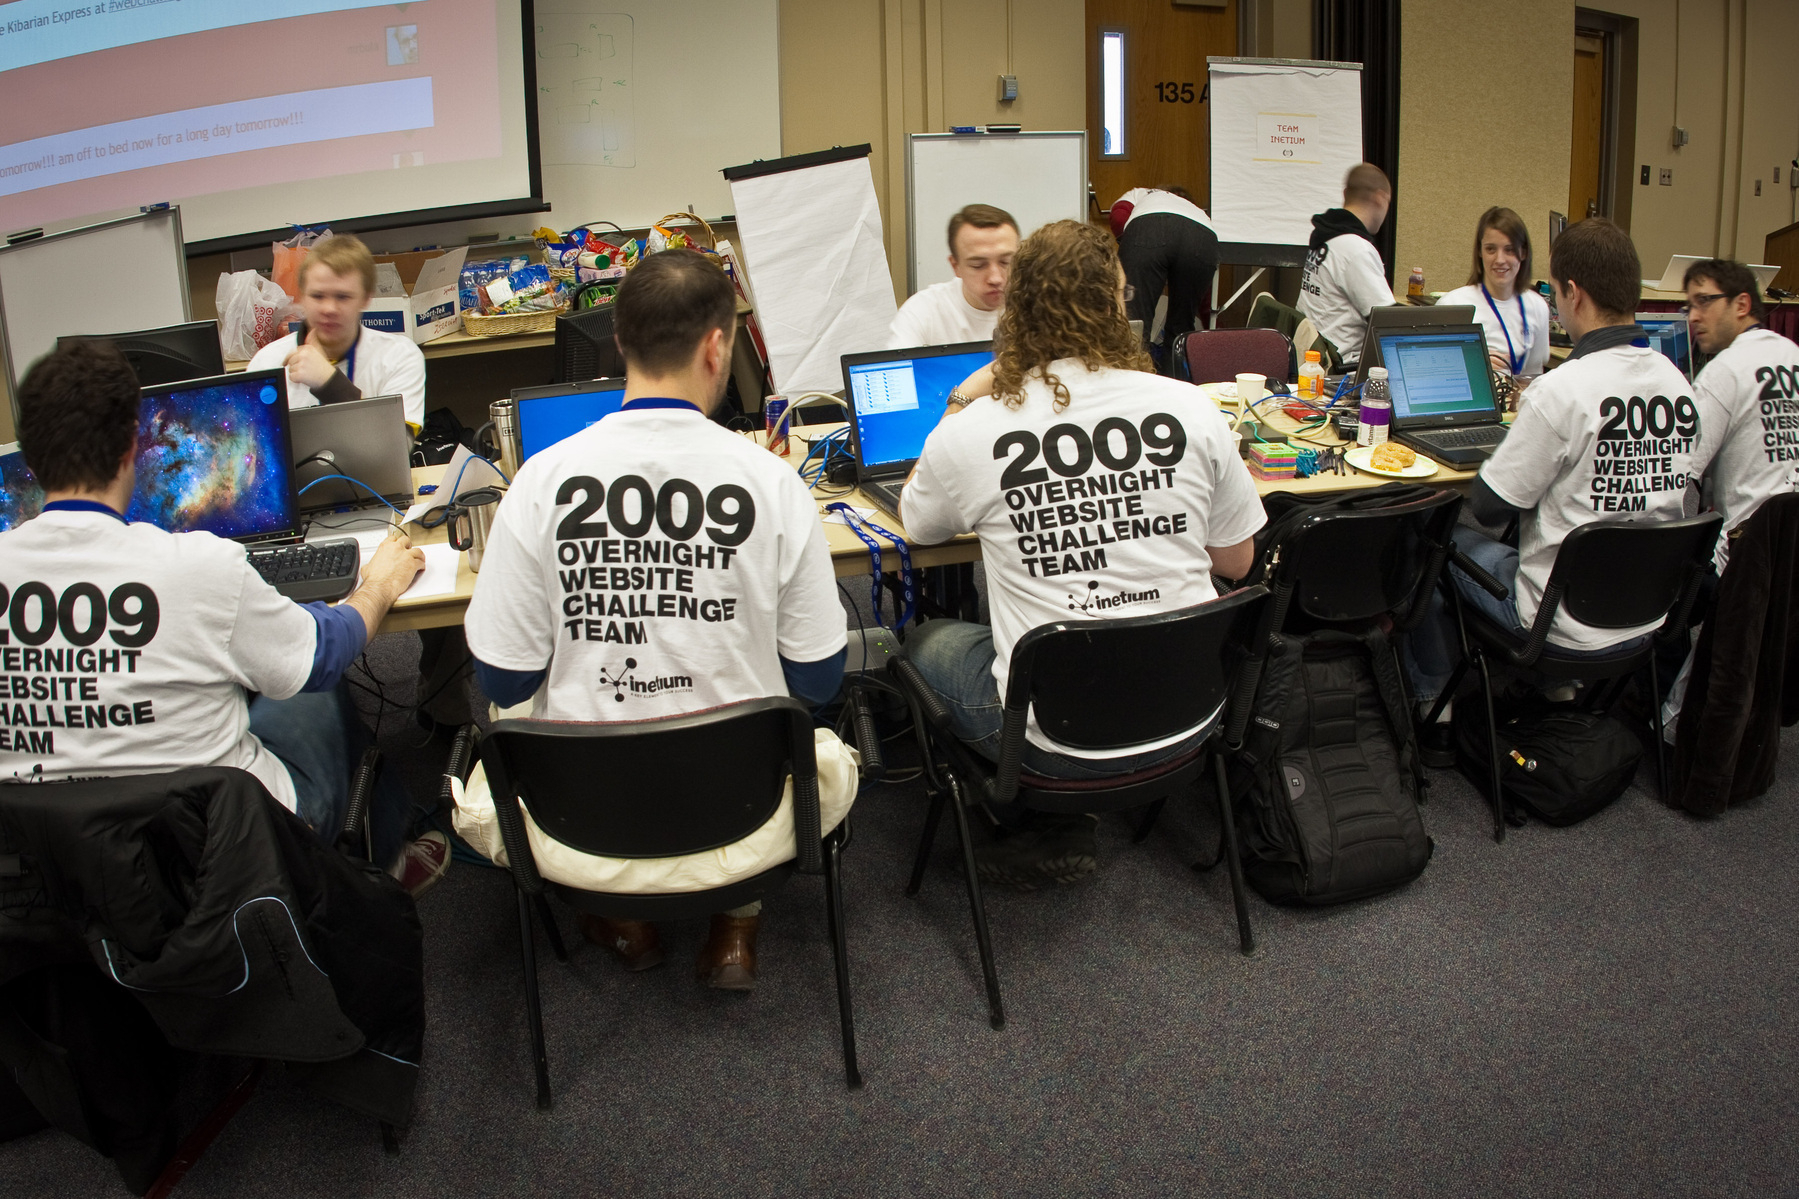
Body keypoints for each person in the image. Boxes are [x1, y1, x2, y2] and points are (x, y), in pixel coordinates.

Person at [460, 249, 854, 991]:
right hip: (743, 818)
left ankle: (625, 919)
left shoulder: (539, 480)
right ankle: (736, 924)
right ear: (716, 346)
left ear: (620, 340)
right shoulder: (771, 482)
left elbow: (505, 673)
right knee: (790, 713)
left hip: (582, 831)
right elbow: (819, 676)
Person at [0, 341, 448, 893]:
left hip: (51, 868)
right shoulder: (196, 564)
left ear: (32, 459)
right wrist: (377, 586)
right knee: (306, 681)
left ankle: (384, 844)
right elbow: (323, 653)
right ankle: (378, 863)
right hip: (228, 852)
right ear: (130, 450)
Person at [899, 220, 1265, 887]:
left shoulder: (975, 428)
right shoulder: (1191, 408)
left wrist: (962, 395)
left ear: (1020, 307)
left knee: (923, 642)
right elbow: (1237, 564)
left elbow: (918, 526)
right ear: (1116, 303)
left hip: (1052, 745)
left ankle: (1020, 816)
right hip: (1187, 719)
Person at [1403, 219, 1713, 747]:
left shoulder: (1562, 391)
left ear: (1572, 292)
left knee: (1425, 537)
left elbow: (1491, 505)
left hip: (1556, 621)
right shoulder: (1678, 384)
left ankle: (1437, 705)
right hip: (1644, 615)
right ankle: (1557, 689)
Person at [248, 233, 427, 432]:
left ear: (366, 298)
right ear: (302, 297)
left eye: (343, 297)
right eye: (317, 296)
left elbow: (398, 450)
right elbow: (254, 451)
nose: (329, 309)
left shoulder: (400, 356)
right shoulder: (265, 363)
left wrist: (329, 382)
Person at [1685, 257, 1798, 568]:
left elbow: (1678, 471)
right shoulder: (1792, 352)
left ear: (1742, 304)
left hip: (1742, 561)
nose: (1693, 317)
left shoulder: (1724, 371)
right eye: (1690, 306)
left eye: (1704, 301)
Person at [1110, 185, 1220, 375]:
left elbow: (1119, 215)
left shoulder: (1139, 193)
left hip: (1149, 227)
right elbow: (1203, 297)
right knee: (1181, 327)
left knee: (1134, 323)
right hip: (1205, 235)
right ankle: (1173, 392)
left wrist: (1131, 248)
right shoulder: (1194, 210)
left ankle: (1131, 386)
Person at [1438, 206, 1553, 386]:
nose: (1500, 259)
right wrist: (1472, 364)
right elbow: (1434, 374)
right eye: (1491, 249)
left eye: (1509, 250)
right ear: (1479, 252)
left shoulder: (1537, 306)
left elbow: (1532, 378)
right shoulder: (1452, 305)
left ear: (1523, 252)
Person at [1297, 163, 1396, 364]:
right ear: (1380, 197)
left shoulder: (1326, 237)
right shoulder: (1355, 248)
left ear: (1345, 193)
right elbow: (1386, 319)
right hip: (1345, 365)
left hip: (1316, 353)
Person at [889, 204, 1019, 347]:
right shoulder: (924, 311)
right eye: (978, 265)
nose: (995, 278)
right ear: (955, 266)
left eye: (1006, 262)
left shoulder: (1038, 306)